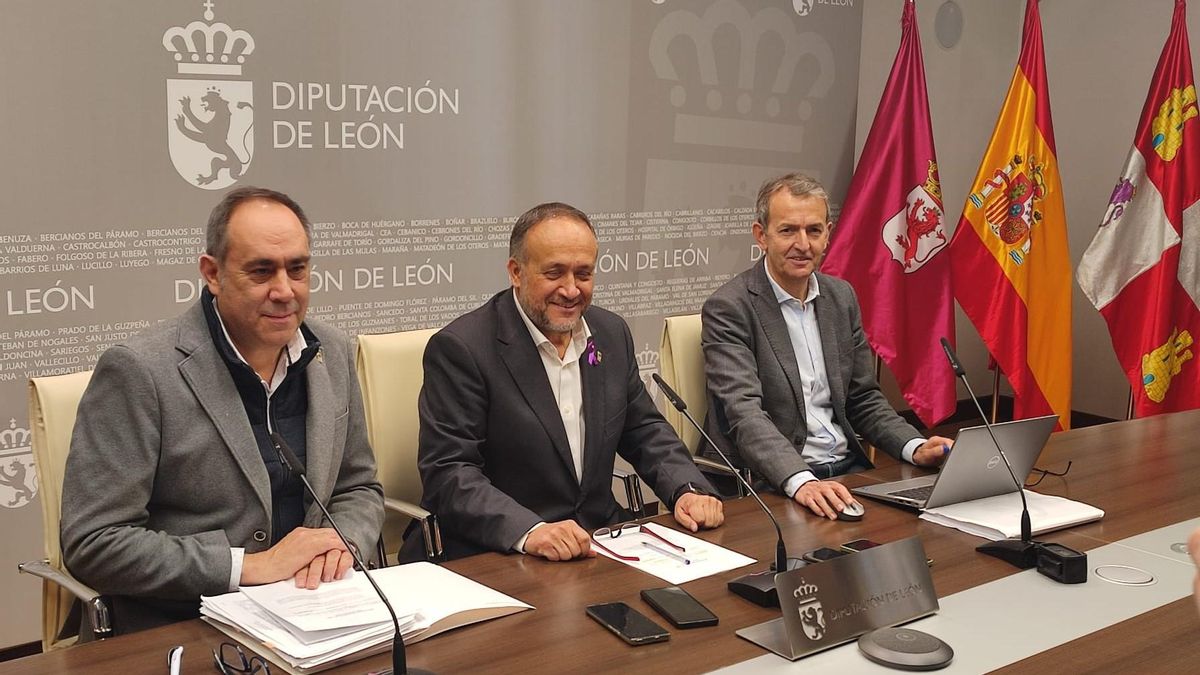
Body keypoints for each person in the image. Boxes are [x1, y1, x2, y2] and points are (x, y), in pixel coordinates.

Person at [60, 187, 384, 635]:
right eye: (261, 271)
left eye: (297, 269)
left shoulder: (333, 351)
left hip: (314, 612)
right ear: (212, 273)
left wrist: (342, 543)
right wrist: (249, 566)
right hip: (181, 623)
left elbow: (358, 486)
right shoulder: (139, 371)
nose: (284, 291)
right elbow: (94, 542)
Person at [415, 202, 724, 561]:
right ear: (516, 272)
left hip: (599, 542)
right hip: (500, 552)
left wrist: (687, 489)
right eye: (554, 273)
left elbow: (644, 429)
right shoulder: (463, 349)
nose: (571, 290)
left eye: (583, 274)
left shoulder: (610, 333)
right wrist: (529, 531)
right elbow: (449, 472)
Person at [702, 173, 954, 520]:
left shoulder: (841, 297)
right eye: (788, 230)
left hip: (848, 474)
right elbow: (744, 414)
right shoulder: (730, 307)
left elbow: (862, 398)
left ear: (828, 235)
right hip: (772, 484)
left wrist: (914, 447)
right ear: (761, 236)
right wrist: (801, 480)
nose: (803, 244)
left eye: (814, 230)